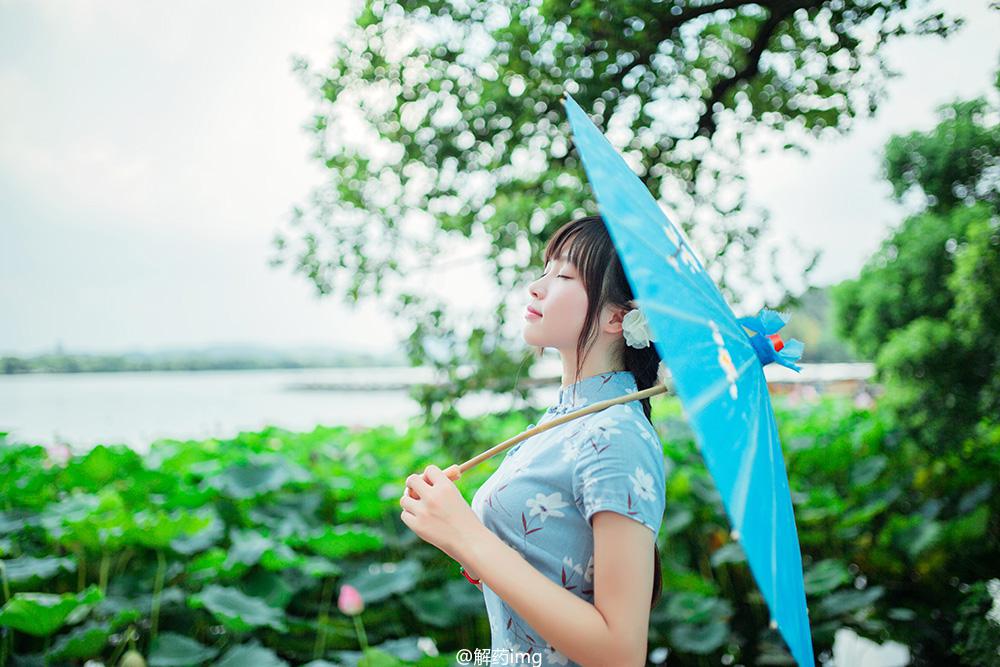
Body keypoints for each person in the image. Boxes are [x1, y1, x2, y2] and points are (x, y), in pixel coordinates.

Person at [399, 215, 667, 666]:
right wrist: (451, 532)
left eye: (564, 276)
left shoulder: (616, 435)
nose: (536, 287)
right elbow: (549, 574)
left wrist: (468, 536)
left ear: (618, 317)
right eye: (546, 270)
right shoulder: (564, 419)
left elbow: (621, 654)